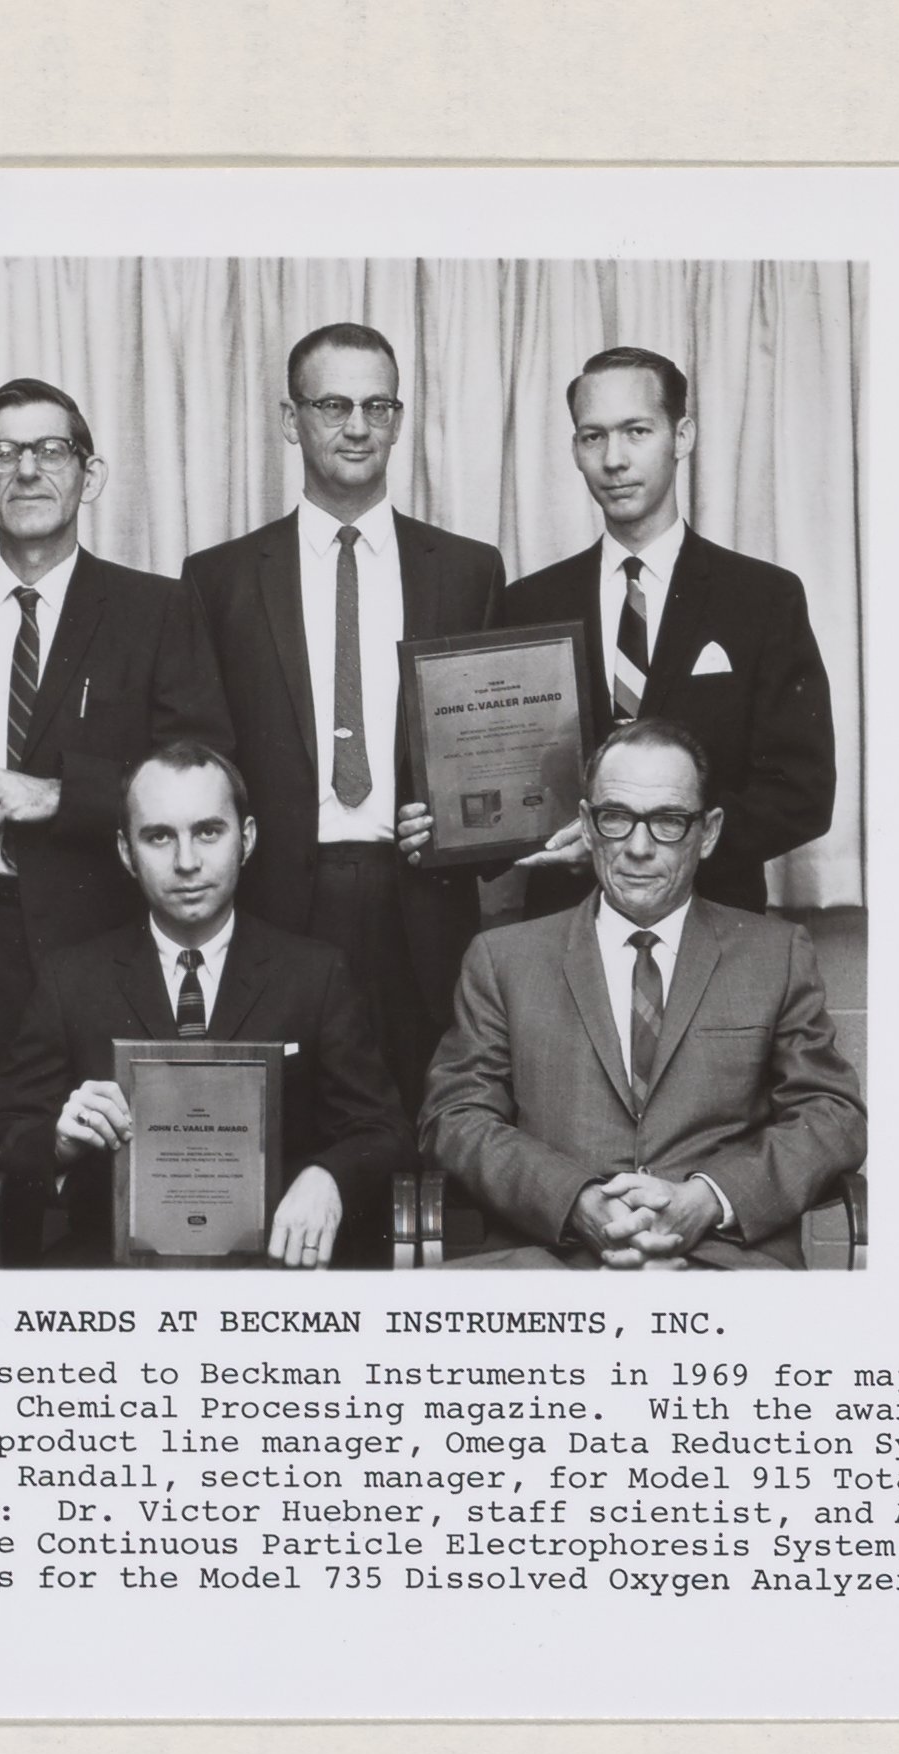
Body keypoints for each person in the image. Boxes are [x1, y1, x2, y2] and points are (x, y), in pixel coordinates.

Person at [0, 378, 233, 1256]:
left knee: (121, 1198)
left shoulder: (155, 608)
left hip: (108, 941)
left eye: (51, 450)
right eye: (3, 453)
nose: (27, 470)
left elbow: (205, 768)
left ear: (91, 474)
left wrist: (57, 794)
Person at [180, 321, 504, 1114]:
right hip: (276, 902)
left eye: (376, 406)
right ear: (290, 420)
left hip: (421, 901)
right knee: (285, 1130)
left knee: (430, 1128)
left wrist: (467, 826)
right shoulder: (220, 578)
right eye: (332, 405)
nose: (356, 426)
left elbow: (496, 748)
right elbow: (200, 753)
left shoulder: (467, 571)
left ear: (397, 419)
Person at [420, 719, 862, 1268]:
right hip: (553, 1264)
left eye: (668, 822)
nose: (638, 848)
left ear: (709, 833)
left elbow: (832, 1114)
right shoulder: (503, 959)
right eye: (616, 818)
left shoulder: (776, 955)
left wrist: (708, 1199)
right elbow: (455, 1116)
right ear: (587, 825)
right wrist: (576, 1202)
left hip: (722, 1264)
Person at [0, 741, 408, 1269]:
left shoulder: (315, 974)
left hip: (274, 1271)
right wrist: (59, 1141)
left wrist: (329, 1175)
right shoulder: (73, 978)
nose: (186, 862)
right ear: (126, 852)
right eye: (159, 836)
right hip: (116, 1274)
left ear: (246, 839)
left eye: (208, 832)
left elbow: (382, 1129)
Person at [491, 345, 836, 916]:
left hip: (714, 922)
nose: (614, 460)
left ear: (682, 436)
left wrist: (662, 844)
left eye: (637, 431)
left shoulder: (763, 599)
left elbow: (802, 793)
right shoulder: (528, 604)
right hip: (564, 926)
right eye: (593, 437)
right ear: (575, 450)